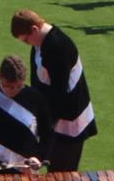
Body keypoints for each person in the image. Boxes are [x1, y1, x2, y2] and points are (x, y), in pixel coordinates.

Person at [12, 9, 97, 170]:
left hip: (70, 122)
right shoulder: (39, 45)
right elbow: (39, 84)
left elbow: (59, 93)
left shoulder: (58, 47)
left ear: (35, 30)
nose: (27, 44)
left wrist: (44, 127)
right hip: (55, 118)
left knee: (62, 177)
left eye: (26, 40)